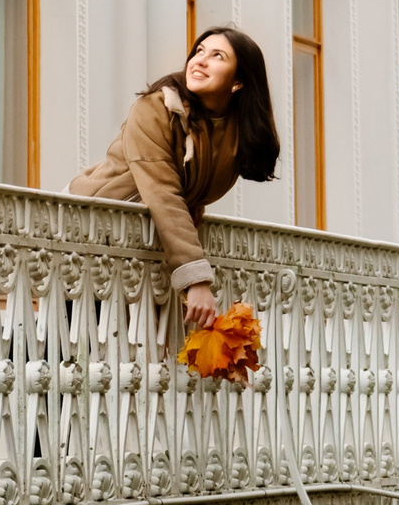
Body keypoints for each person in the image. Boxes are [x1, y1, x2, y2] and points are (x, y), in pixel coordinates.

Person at [71, 25, 280, 328]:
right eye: (199, 51)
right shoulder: (156, 108)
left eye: (217, 55)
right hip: (89, 228)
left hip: (139, 243)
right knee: (60, 346)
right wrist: (195, 278)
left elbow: (190, 196)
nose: (200, 60)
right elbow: (163, 191)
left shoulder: (234, 134)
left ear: (238, 82)